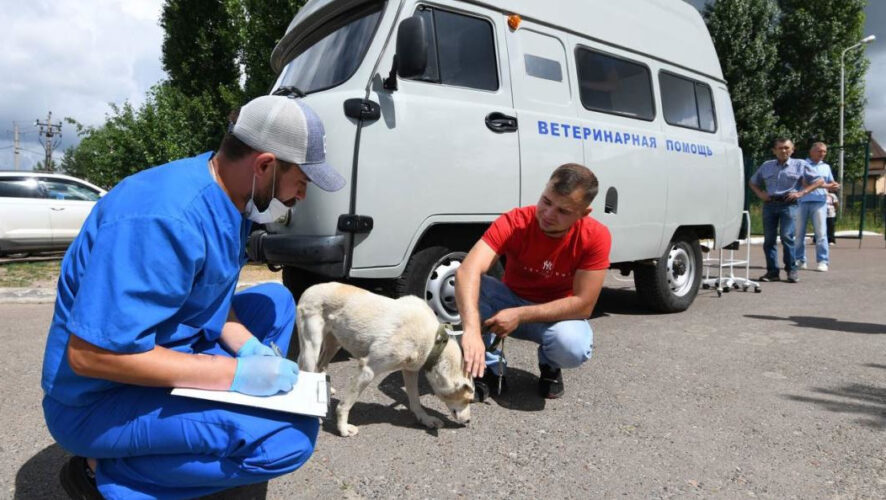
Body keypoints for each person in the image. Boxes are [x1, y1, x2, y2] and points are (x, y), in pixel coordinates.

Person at [40, 95, 346, 499]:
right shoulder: (163, 219)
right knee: (289, 439)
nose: (301, 195)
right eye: (301, 181)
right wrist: (233, 375)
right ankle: (102, 474)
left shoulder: (228, 195)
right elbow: (91, 356)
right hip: (96, 401)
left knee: (276, 301)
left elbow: (210, 295)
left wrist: (250, 349)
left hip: (160, 354)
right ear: (264, 165)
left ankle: (198, 430)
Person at [455, 164, 611, 400]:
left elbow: (584, 304)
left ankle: (550, 365)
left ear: (583, 213)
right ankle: (488, 365)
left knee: (573, 346)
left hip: (554, 316)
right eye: (546, 201)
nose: (548, 214)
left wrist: (520, 315)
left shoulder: (595, 236)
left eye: (563, 211)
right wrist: (471, 331)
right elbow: (467, 271)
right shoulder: (515, 221)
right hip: (507, 302)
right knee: (474, 284)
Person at [749, 137, 822, 283]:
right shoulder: (766, 166)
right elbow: (752, 182)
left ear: (792, 150)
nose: (784, 151)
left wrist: (801, 193)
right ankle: (772, 272)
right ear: (774, 151)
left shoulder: (800, 164)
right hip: (769, 204)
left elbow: (819, 181)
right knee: (769, 240)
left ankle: (791, 270)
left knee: (786, 236)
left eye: (787, 148)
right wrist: (760, 194)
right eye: (780, 148)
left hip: (789, 205)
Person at [795, 142, 839, 272]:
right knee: (799, 233)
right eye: (820, 151)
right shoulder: (803, 164)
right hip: (802, 201)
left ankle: (823, 261)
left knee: (821, 233)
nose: (822, 154)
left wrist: (835, 185)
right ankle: (800, 260)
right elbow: (805, 183)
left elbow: (831, 182)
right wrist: (825, 185)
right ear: (811, 151)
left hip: (820, 202)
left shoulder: (826, 167)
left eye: (824, 151)